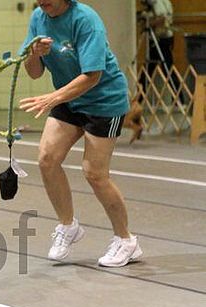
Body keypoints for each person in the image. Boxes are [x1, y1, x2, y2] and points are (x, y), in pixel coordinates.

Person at [19, 0, 142, 267]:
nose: (41, 2)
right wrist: (34, 54)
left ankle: (126, 241)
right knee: (47, 159)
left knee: (95, 173)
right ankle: (68, 226)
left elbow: (93, 75)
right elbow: (34, 72)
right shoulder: (38, 18)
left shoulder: (86, 20)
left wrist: (52, 98)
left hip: (103, 102)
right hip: (68, 98)